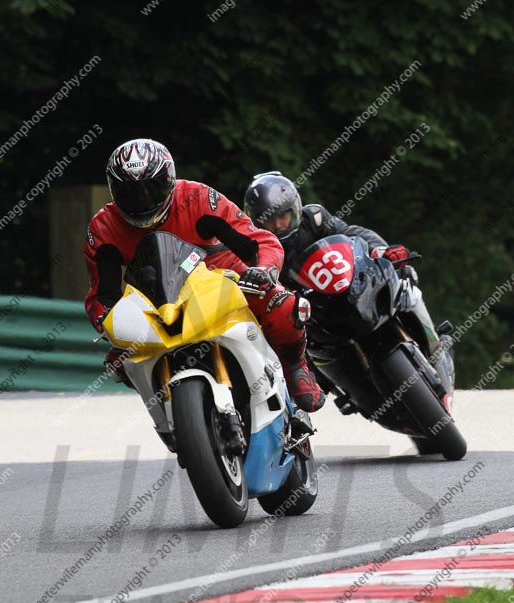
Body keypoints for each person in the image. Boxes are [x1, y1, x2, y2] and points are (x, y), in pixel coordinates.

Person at [83, 140, 325, 413]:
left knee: (283, 307)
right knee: (120, 360)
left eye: (153, 188)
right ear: (113, 190)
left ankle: (296, 368)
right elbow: (102, 294)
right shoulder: (103, 227)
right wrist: (106, 321)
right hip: (156, 301)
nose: (144, 201)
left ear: (170, 179)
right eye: (130, 193)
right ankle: (167, 412)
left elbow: (258, 241)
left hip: (224, 280)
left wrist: (263, 271)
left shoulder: (196, 197)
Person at [244, 171, 454, 381]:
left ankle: (434, 344)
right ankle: (328, 387)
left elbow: (351, 233)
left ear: (296, 209)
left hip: (347, 288)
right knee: (292, 353)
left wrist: (383, 250)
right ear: (257, 221)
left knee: (406, 279)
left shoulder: (314, 219)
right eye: (271, 220)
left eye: (284, 216)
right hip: (310, 314)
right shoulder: (252, 249)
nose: (280, 224)